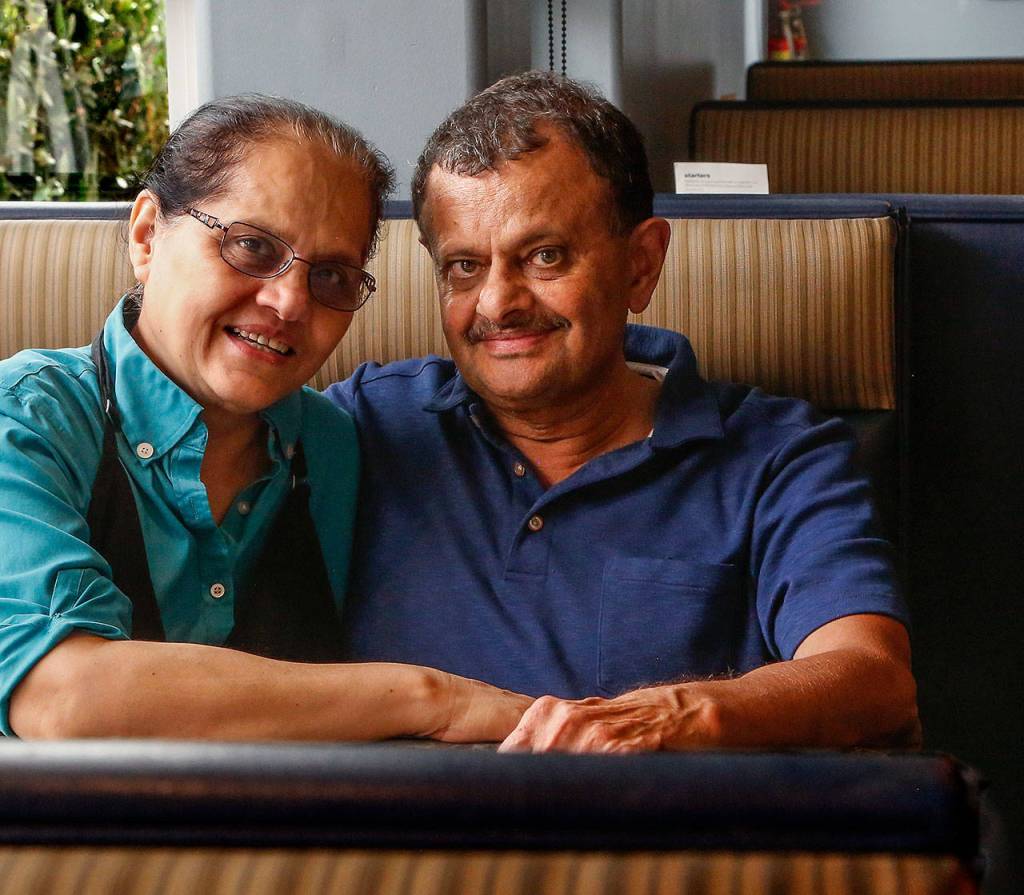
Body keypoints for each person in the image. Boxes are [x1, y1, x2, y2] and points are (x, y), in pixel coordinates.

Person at [326, 71, 920, 753]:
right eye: (463, 267)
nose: (496, 302)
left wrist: (672, 715)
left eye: (544, 256)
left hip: (659, 845)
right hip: (396, 847)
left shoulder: (778, 454)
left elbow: (874, 681)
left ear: (641, 264)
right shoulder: (363, 424)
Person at [0, 94, 529, 742]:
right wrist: (433, 699)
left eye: (333, 276)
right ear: (146, 236)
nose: (288, 302)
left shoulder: (336, 448)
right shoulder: (26, 422)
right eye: (251, 245)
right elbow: (62, 697)